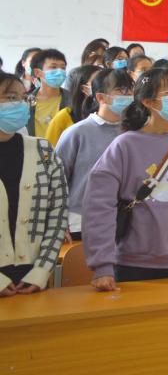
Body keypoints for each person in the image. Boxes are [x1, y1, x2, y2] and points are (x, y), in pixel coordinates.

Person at [82, 67, 168, 289]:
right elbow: (99, 205)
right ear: (148, 102)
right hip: (130, 260)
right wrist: (102, 266)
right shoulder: (125, 145)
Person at [0, 72, 68, 295]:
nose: (20, 105)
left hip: (31, 278)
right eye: (11, 98)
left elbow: (58, 213)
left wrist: (41, 271)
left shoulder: (42, 150)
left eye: (23, 98)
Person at [54, 68, 133, 239]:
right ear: (100, 97)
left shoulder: (134, 132)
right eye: (120, 90)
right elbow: (57, 180)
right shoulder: (77, 132)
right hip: (81, 221)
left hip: (124, 221)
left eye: (129, 91)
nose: (127, 96)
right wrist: (57, 220)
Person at [44, 64, 101, 146]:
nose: (105, 86)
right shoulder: (64, 116)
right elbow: (48, 149)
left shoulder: (110, 114)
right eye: (98, 82)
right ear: (84, 89)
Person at [26, 49, 69, 138]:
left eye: (63, 68)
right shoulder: (25, 101)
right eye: (53, 67)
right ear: (37, 72)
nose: (59, 71)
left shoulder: (74, 100)